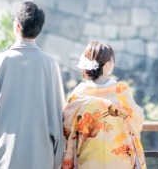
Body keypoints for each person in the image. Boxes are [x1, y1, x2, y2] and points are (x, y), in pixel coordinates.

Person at [0, 1, 66, 169]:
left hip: (1, 154)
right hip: (41, 156)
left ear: (17, 26)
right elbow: (58, 115)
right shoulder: (50, 64)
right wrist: (56, 159)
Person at [61, 41, 146, 169]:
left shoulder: (79, 93)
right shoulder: (121, 91)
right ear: (106, 66)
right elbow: (136, 120)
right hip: (119, 159)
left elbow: (67, 126)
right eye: (112, 61)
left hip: (88, 158)